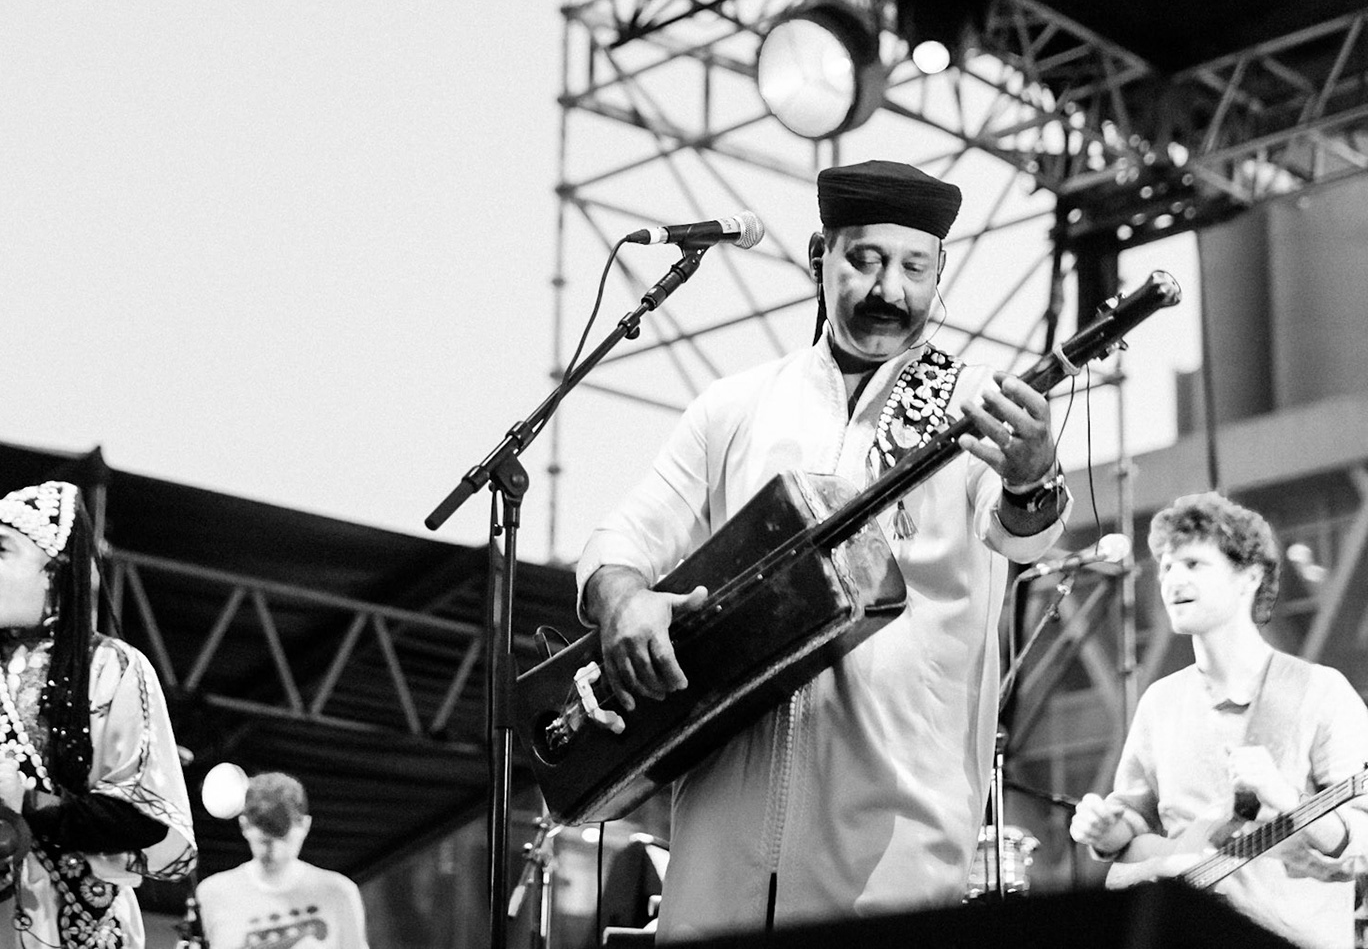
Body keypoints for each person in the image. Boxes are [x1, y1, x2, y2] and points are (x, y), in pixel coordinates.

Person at [576, 159, 1070, 938]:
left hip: (898, 832)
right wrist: (624, 599)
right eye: (865, 260)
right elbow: (620, 539)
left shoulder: (978, 405)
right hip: (720, 829)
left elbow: (1024, 531)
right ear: (819, 257)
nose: (890, 291)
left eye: (915, 267)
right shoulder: (736, 405)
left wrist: (1033, 475)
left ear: (940, 274)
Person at [1070, 493, 1368, 949]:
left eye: (1193, 564)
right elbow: (1135, 819)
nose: (1172, 579)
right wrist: (1107, 833)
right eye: (1166, 567)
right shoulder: (1160, 702)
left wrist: (1286, 799)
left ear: (1250, 576)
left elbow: (1360, 847)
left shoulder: (1320, 691)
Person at [0, 479, 196, 948]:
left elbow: (144, 818)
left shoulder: (112, 667)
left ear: (54, 573)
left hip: (73, 926)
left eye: (2, 549)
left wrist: (25, 800)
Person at [195, 772, 369, 949]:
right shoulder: (212, 894)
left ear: (305, 825)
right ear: (244, 825)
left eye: (285, 840)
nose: (275, 853)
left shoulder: (338, 891)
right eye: (265, 842)